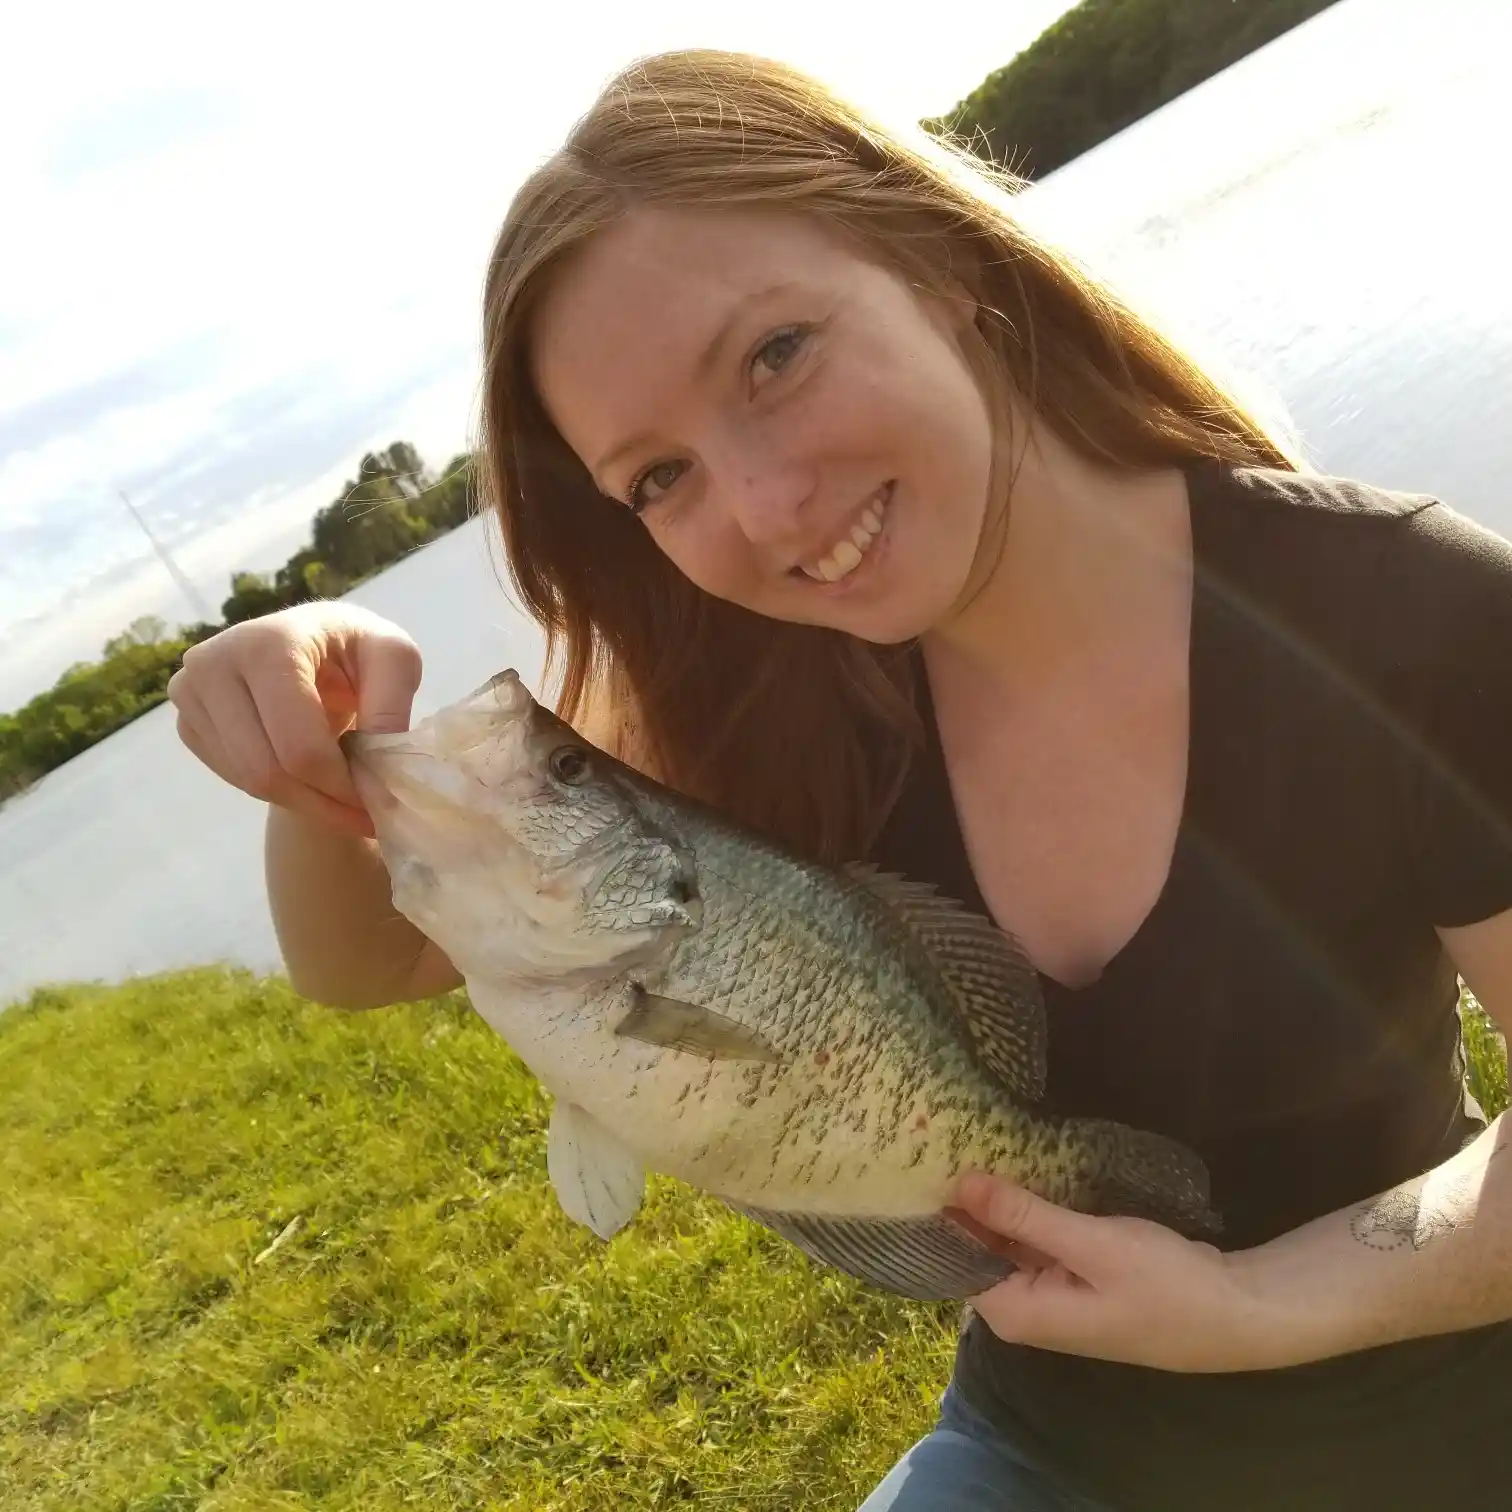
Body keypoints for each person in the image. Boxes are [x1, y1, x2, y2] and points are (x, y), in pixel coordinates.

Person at [167, 48, 1512, 1512]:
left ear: (933, 261)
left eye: (774, 356)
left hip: (1442, 1419)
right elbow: (364, 957)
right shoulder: (759, 700)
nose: (762, 507)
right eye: (657, 479)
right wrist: (324, 721)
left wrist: (1259, 1307)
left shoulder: (1402, 611)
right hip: (1044, 1454)